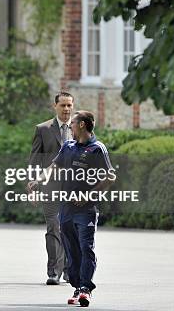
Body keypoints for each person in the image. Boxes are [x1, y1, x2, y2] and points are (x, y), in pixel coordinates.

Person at [44, 110, 115, 307]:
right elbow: (54, 167)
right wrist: (39, 180)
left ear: (82, 125)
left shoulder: (97, 149)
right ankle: (77, 286)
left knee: (86, 247)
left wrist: (88, 195)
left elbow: (110, 177)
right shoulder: (68, 146)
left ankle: (85, 288)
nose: (71, 127)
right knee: (71, 250)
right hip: (66, 208)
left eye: (73, 123)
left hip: (87, 210)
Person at [29, 91, 73, 285]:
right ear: (55, 106)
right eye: (62, 105)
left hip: (73, 189)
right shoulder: (43, 129)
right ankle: (53, 271)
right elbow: (34, 160)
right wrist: (33, 187)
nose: (66, 109)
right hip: (50, 188)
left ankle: (70, 270)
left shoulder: (80, 127)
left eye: (69, 105)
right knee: (54, 227)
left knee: (70, 229)